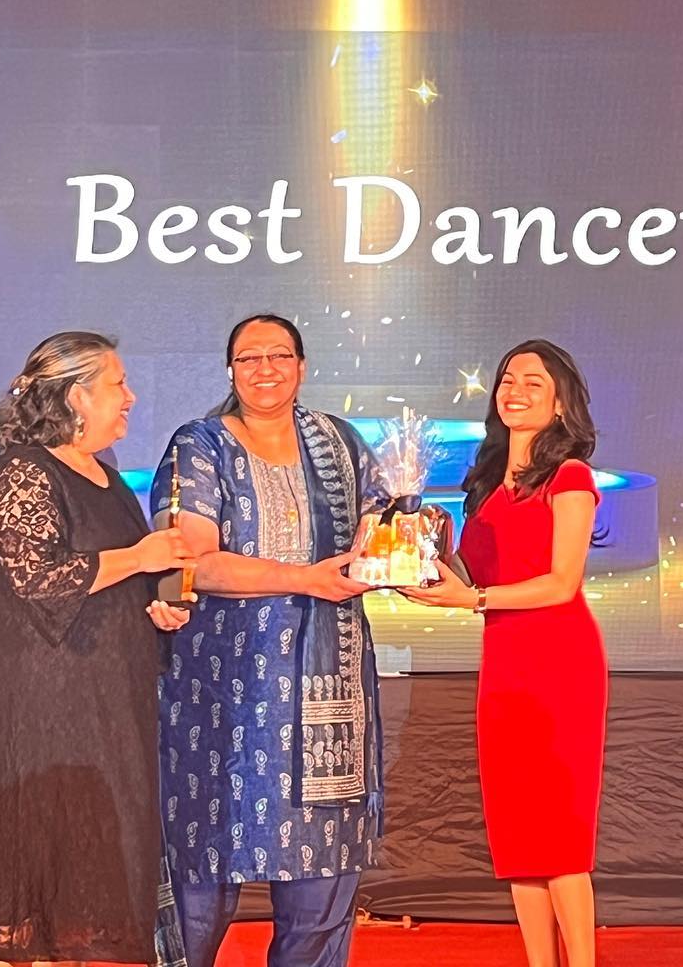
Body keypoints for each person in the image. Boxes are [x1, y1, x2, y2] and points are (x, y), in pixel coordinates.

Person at [153, 313, 389, 967]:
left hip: (327, 694)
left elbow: (384, 527)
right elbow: (193, 563)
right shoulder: (200, 445)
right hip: (222, 696)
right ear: (230, 370)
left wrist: (399, 547)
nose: (265, 369)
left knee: (323, 879)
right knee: (202, 872)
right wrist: (305, 578)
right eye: (249, 357)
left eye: (279, 355)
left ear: (302, 366)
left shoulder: (339, 443)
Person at [0, 330, 196, 967]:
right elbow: (39, 579)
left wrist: (158, 606)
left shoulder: (109, 479)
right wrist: (139, 557)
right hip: (45, 713)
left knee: (102, 868)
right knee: (43, 866)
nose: (131, 397)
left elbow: (118, 580)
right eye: (118, 383)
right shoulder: (23, 474)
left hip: (109, 702)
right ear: (76, 397)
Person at [403, 340, 608, 967]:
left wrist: (474, 599)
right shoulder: (488, 485)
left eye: (533, 382)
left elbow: (561, 583)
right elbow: (470, 574)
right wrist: (413, 545)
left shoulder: (570, 477)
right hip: (505, 663)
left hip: (560, 662)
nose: (514, 391)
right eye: (507, 379)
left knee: (560, 835)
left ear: (561, 403)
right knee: (519, 834)